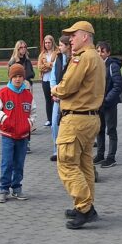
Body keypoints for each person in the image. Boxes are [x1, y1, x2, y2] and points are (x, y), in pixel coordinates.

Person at [51, 21, 104, 229]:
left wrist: (55, 91)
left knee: (66, 163)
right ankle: (85, 204)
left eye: (73, 35)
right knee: (84, 165)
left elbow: (68, 86)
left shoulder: (82, 58)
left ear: (85, 36)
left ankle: (85, 208)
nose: (70, 39)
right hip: (91, 118)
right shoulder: (97, 57)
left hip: (76, 119)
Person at [0, 63, 36, 203]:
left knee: (19, 163)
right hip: (8, 135)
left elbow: (33, 112)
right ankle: (3, 189)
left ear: (24, 78)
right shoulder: (3, 93)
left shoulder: (28, 95)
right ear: (10, 77)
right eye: (15, 76)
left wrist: (29, 123)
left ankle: (17, 187)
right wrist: (4, 118)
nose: (17, 79)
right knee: (7, 162)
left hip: (23, 136)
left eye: (20, 76)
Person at [93, 41, 122, 168]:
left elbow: (117, 86)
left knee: (111, 130)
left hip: (109, 104)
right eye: (98, 51)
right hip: (98, 104)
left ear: (108, 53)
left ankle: (111, 157)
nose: (100, 54)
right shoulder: (95, 65)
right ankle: (100, 154)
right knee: (99, 129)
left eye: (102, 51)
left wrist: (106, 100)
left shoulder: (113, 66)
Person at [49, 34, 71, 162]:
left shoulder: (74, 60)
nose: (59, 47)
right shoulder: (58, 58)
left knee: (68, 126)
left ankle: (67, 151)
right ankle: (56, 150)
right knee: (54, 124)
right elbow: (53, 77)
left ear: (68, 46)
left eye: (61, 45)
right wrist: (54, 92)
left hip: (69, 99)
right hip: (57, 98)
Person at [37, 35, 58, 128]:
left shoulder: (57, 53)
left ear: (52, 42)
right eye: (45, 43)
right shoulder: (42, 54)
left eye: (49, 42)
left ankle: (55, 119)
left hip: (54, 80)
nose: (47, 44)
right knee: (48, 100)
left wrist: (47, 65)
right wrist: (50, 65)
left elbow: (57, 66)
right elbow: (39, 67)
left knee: (55, 99)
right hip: (45, 80)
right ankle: (49, 119)